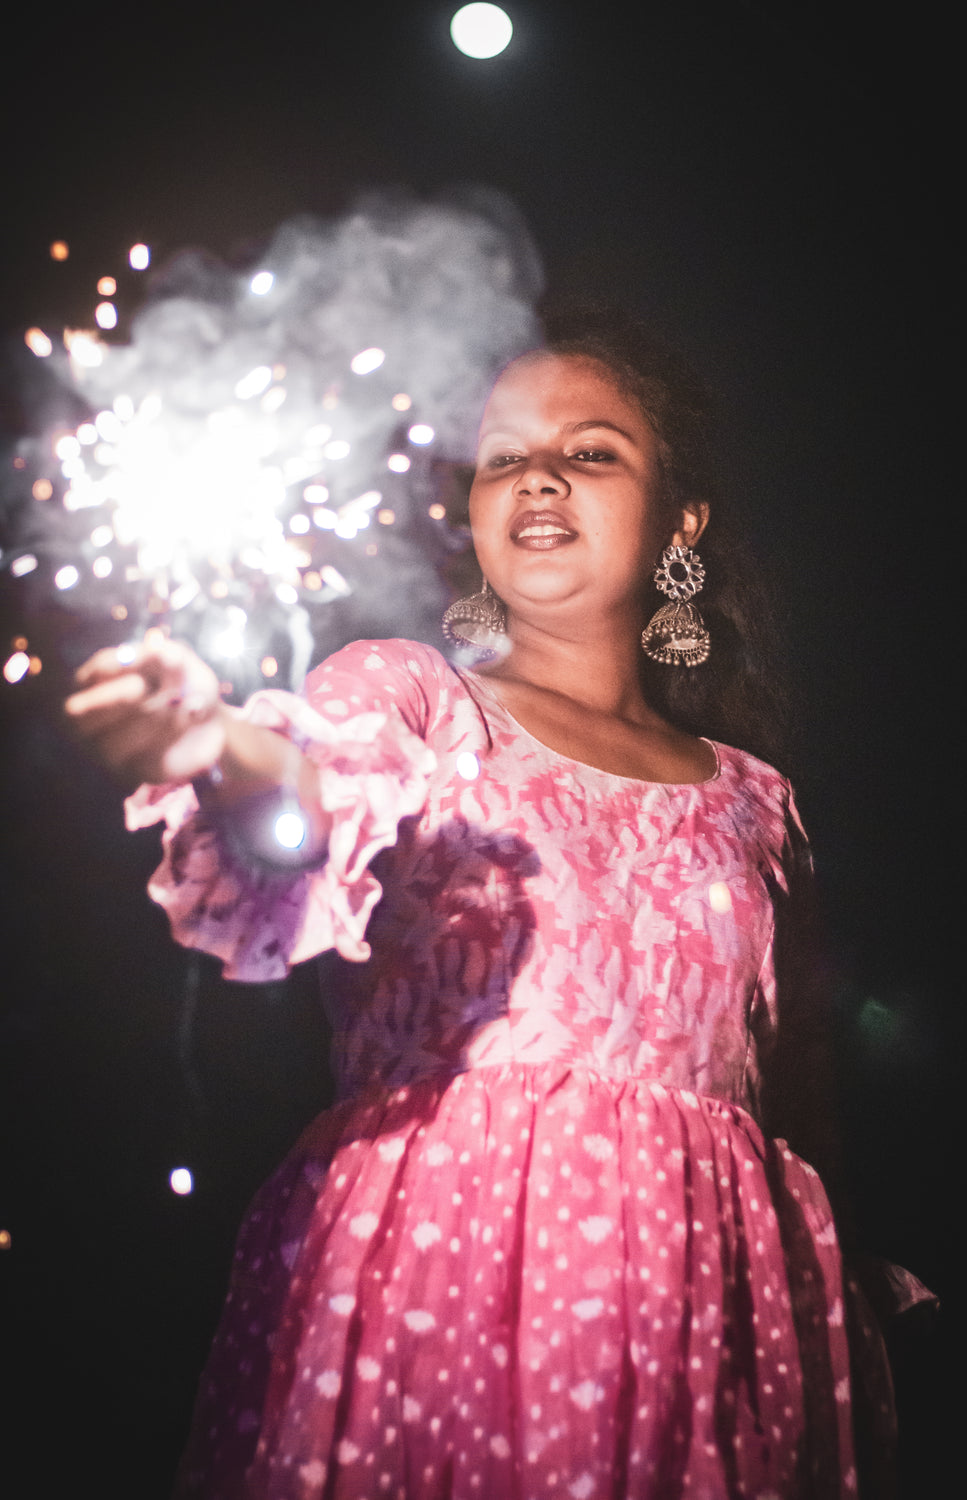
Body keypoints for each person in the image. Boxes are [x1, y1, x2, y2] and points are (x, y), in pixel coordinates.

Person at [65, 320, 911, 1498]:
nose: (540, 477)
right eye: (505, 459)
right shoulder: (410, 697)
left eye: (592, 451)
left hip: (711, 1322)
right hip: (440, 1286)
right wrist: (224, 749)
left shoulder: (757, 800)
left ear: (681, 523)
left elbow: (798, 1102)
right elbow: (310, 795)